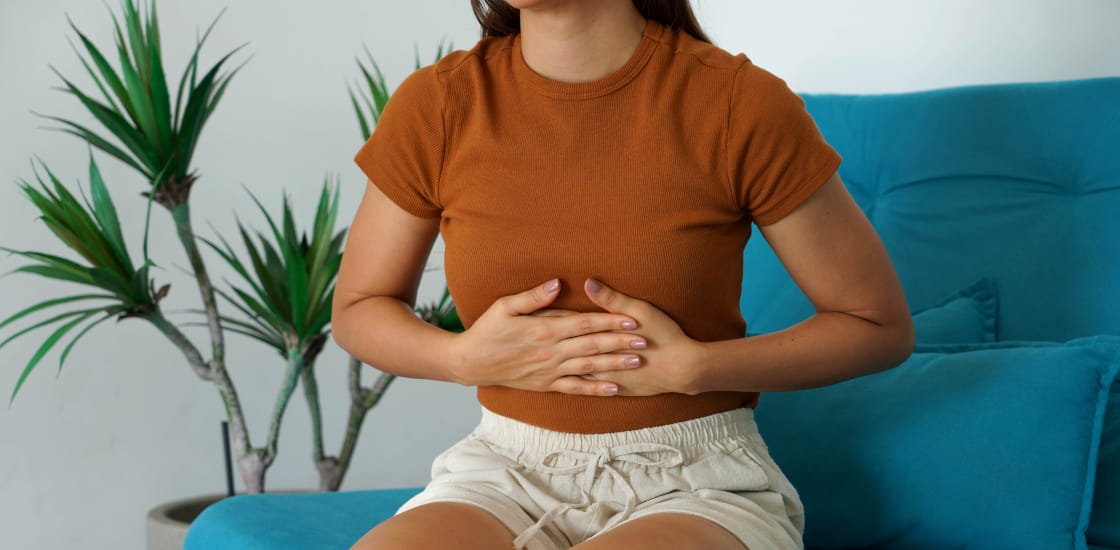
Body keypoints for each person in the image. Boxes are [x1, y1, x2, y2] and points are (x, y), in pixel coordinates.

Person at [332, 0, 914, 548]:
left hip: (697, 481)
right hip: (502, 470)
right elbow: (360, 308)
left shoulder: (739, 103)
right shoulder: (439, 103)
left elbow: (875, 326)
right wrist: (461, 359)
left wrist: (699, 367)